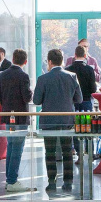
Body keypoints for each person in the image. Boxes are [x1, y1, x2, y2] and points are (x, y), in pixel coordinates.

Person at [33, 49, 82, 191]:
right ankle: (68, 182)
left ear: (49, 61)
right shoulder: (72, 76)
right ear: (62, 60)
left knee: (50, 153)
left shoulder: (43, 79)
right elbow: (78, 99)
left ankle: (52, 182)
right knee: (67, 152)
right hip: (67, 120)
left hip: (49, 121)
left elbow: (36, 101)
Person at [0, 49, 32, 192]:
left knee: (11, 146)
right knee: (17, 147)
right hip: (20, 117)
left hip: (7, 116)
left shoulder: (3, 75)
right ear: (25, 61)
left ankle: (9, 179)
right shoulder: (23, 76)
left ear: (12, 58)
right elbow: (27, 97)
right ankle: (12, 181)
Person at [65, 45, 98, 163]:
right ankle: (90, 153)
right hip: (86, 101)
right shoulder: (89, 69)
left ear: (74, 55)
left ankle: (79, 154)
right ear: (85, 56)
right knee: (88, 127)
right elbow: (93, 88)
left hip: (73, 102)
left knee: (76, 128)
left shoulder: (68, 69)